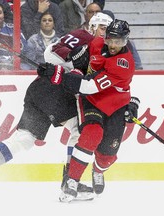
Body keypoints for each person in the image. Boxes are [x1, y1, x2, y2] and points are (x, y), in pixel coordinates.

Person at [0, 12, 113, 201]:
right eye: (103, 28)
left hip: (40, 89)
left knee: (24, 139)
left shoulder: (98, 45)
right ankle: (70, 183)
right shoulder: (85, 38)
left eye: (108, 29)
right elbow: (51, 53)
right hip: (55, 90)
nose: (106, 33)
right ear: (92, 27)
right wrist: (69, 63)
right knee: (79, 131)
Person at [37, 19, 139, 202]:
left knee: (107, 155)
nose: (114, 45)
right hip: (92, 101)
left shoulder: (123, 64)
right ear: (106, 37)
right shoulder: (96, 43)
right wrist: (67, 62)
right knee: (91, 135)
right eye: (111, 40)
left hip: (113, 104)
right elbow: (75, 62)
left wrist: (57, 75)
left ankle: (98, 171)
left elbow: (89, 85)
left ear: (126, 41)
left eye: (119, 41)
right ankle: (72, 181)